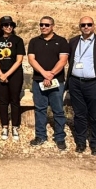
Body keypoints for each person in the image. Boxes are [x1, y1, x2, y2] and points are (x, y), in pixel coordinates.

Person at [66, 16, 96, 155]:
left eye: (89, 24)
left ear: (94, 26)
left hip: (94, 84)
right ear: (79, 27)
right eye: (83, 25)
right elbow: (70, 60)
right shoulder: (73, 41)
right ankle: (81, 142)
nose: (86, 27)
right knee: (79, 115)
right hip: (76, 83)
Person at [27, 17, 70, 150]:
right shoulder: (34, 41)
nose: (43, 27)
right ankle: (40, 136)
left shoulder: (61, 41)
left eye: (46, 25)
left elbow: (63, 60)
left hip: (56, 81)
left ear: (52, 26)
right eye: (41, 24)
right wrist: (44, 73)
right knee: (40, 109)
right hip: (38, 80)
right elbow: (31, 59)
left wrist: (51, 74)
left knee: (58, 110)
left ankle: (60, 137)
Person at [0, 16, 25, 141]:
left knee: (15, 100)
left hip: (15, 74)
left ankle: (15, 126)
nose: (9, 27)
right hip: (0, 73)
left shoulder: (18, 40)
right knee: (3, 101)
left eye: (11, 25)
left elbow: (19, 60)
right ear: (1, 27)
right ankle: (4, 126)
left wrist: (7, 74)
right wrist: (1, 73)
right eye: (6, 25)